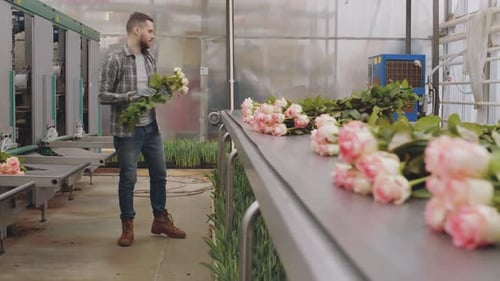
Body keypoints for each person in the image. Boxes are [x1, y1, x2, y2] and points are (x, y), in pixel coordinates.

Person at [98, 12, 186, 247]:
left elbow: (152, 92)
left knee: (160, 174)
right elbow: (101, 95)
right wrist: (130, 95)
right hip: (128, 132)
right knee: (128, 178)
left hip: (151, 128)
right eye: (150, 31)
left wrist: (167, 90)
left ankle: (160, 220)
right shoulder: (115, 59)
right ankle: (127, 226)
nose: (153, 36)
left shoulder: (149, 59)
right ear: (136, 30)